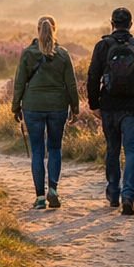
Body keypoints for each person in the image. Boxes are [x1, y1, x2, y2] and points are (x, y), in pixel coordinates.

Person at [86, 6, 134, 216]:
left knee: (112, 149)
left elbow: (92, 77)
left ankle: (113, 193)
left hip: (109, 107)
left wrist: (94, 104)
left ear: (112, 24)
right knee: (132, 150)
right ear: (130, 25)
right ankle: (128, 195)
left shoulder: (102, 46)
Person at [11, 15, 80, 210]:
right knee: (55, 148)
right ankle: (53, 190)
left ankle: (40, 198)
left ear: (37, 30)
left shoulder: (27, 53)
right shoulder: (63, 54)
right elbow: (71, 85)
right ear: (54, 30)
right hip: (58, 107)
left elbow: (19, 83)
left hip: (32, 107)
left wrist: (15, 107)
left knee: (37, 151)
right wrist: (75, 109)